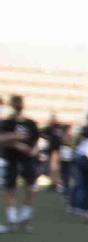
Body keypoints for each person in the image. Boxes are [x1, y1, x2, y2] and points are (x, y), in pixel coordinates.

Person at [0, 94, 39, 232]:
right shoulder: (6, 122)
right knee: (11, 189)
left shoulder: (30, 123)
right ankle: (12, 220)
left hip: (28, 159)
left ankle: (25, 218)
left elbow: (36, 141)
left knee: (31, 188)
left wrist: (33, 150)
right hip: (11, 159)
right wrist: (16, 142)